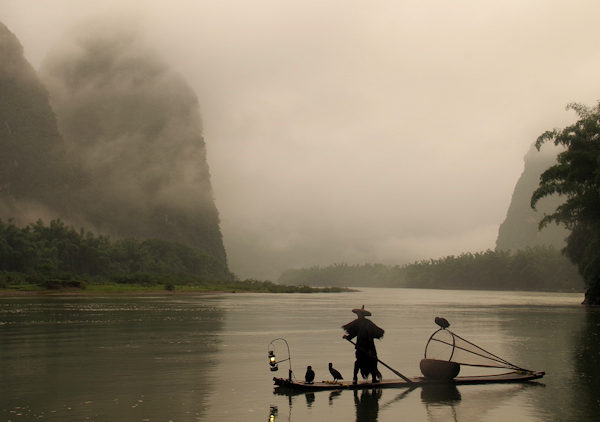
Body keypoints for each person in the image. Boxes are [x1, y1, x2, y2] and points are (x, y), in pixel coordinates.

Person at [342, 305, 384, 384]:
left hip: (369, 346)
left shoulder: (368, 323)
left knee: (373, 361)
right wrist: (347, 337)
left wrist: (370, 350)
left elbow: (372, 334)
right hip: (360, 346)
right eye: (358, 314)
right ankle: (355, 378)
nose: (358, 315)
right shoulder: (356, 323)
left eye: (360, 314)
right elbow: (353, 333)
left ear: (363, 315)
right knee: (358, 362)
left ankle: (374, 378)